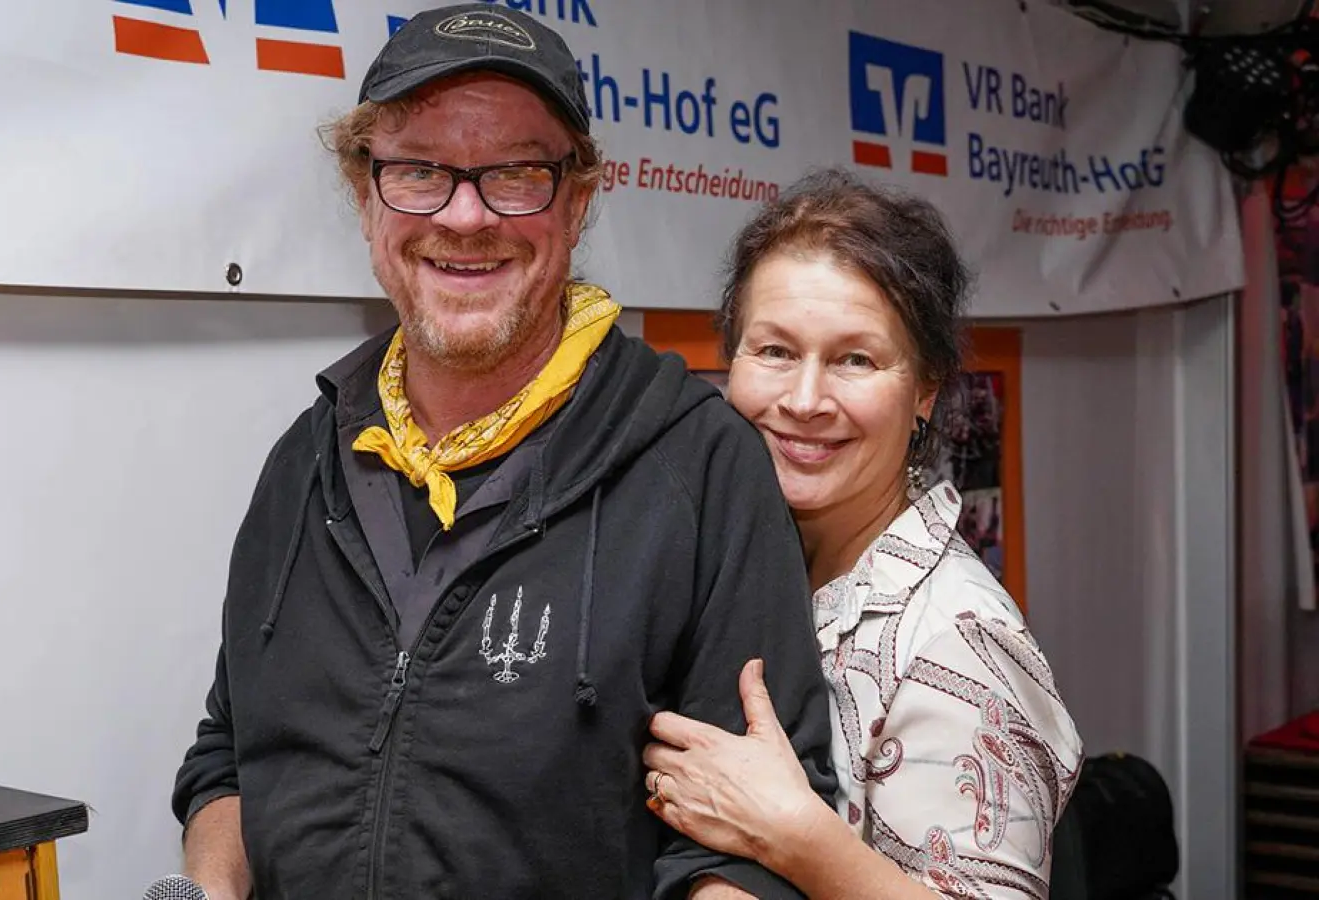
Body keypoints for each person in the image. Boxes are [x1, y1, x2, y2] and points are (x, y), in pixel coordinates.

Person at [168, 6, 836, 899]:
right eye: (418, 170)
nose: (466, 215)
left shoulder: (702, 469)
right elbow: (233, 757)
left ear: (581, 198)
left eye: (517, 174)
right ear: (364, 196)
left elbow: (750, 852)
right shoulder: (304, 462)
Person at [641, 169, 1083, 900]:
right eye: (776, 351)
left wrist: (795, 836)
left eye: (856, 359)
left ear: (926, 390)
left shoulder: (960, 641)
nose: (805, 401)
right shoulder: (732, 560)